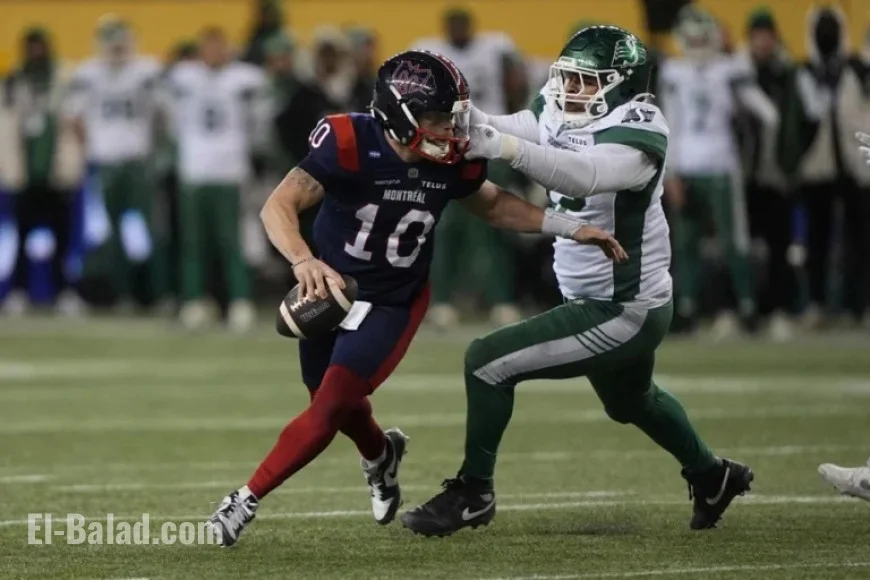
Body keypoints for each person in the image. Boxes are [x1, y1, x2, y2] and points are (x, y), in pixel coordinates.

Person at [206, 49, 627, 547]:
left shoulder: (452, 160)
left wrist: (571, 227)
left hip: (394, 300)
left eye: (450, 118)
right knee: (327, 400)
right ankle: (382, 454)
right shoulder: (348, 140)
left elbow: (493, 207)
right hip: (331, 291)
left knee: (332, 404)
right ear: (400, 115)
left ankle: (244, 500)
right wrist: (303, 261)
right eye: (436, 118)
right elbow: (279, 205)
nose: (449, 130)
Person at [400, 26, 753, 538]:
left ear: (622, 85)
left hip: (622, 306)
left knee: (487, 362)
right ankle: (713, 475)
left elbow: (583, 174)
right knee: (630, 402)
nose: (569, 90)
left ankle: (473, 492)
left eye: (585, 82)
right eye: (566, 77)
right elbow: (532, 123)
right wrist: (475, 121)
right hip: (607, 296)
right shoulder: (566, 105)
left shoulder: (641, 125)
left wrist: (499, 145)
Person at [660, 5, 778, 338]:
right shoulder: (675, 72)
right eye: (692, 35)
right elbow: (671, 124)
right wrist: (670, 173)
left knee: (733, 241)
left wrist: (762, 157)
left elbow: (766, 113)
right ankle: (687, 307)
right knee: (685, 242)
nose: (697, 42)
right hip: (690, 166)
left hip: (723, 165)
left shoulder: (729, 68)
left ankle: (746, 306)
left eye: (702, 35)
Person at [413, 8, 528, 328]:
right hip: (444, 148)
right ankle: (442, 301)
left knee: (495, 224)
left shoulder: (496, 46)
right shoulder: (427, 50)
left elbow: (516, 83)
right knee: (443, 226)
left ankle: (501, 299)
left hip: (487, 143)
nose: (458, 30)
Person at [165, 27, 271, 332]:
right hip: (195, 172)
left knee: (232, 242)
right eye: (208, 46)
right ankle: (195, 301)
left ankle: (239, 301)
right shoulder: (183, 77)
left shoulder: (245, 79)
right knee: (193, 244)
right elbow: (168, 118)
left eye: (218, 46)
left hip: (230, 172)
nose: (214, 52)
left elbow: (260, 123)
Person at [66, 15, 164, 309]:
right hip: (105, 163)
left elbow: (161, 116)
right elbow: (74, 119)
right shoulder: (87, 74)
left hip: (137, 162)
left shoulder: (146, 71)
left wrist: (149, 148)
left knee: (149, 231)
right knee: (107, 234)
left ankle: (154, 294)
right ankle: (117, 295)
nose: (117, 49)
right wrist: (93, 150)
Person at [0, 27, 84, 316]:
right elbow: (6, 127)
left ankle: (65, 292)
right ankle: (19, 291)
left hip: (56, 172)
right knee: (21, 238)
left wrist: (73, 164)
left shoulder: (63, 79)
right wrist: (9, 169)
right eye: (31, 47)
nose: (36, 53)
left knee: (63, 239)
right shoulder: (13, 82)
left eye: (39, 47)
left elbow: (75, 122)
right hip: (25, 174)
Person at [738, 9, 798, 341]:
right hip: (744, 172)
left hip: (775, 173)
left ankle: (778, 310)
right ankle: (748, 310)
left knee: (779, 245)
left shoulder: (787, 74)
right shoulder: (738, 73)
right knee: (743, 245)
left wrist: (791, 165)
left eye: (767, 35)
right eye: (756, 35)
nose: (762, 41)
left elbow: (798, 121)